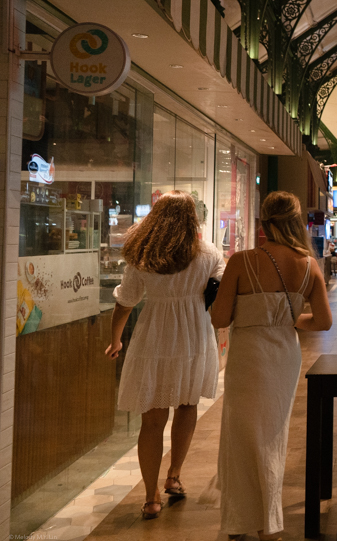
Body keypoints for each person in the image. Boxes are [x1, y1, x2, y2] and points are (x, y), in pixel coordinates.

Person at [210, 191, 332, 540]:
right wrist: (291, 321)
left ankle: (239, 519)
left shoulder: (241, 261)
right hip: (284, 356)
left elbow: (220, 317)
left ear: (263, 223)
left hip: (248, 354)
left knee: (241, 434)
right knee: (273, 436)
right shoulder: (309, 265)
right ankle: (268, 519)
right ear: (297, 222)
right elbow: (323, 321)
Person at [104, 191, 225, 521]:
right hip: (194, 337)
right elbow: (221, 290)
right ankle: (174, 475)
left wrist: (115, 340)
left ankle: (151, 497)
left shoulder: (144, 253)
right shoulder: (208, 252)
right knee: (187, 405)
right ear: (193, 217)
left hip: (154, 338)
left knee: (152, 419)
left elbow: (125, 302)